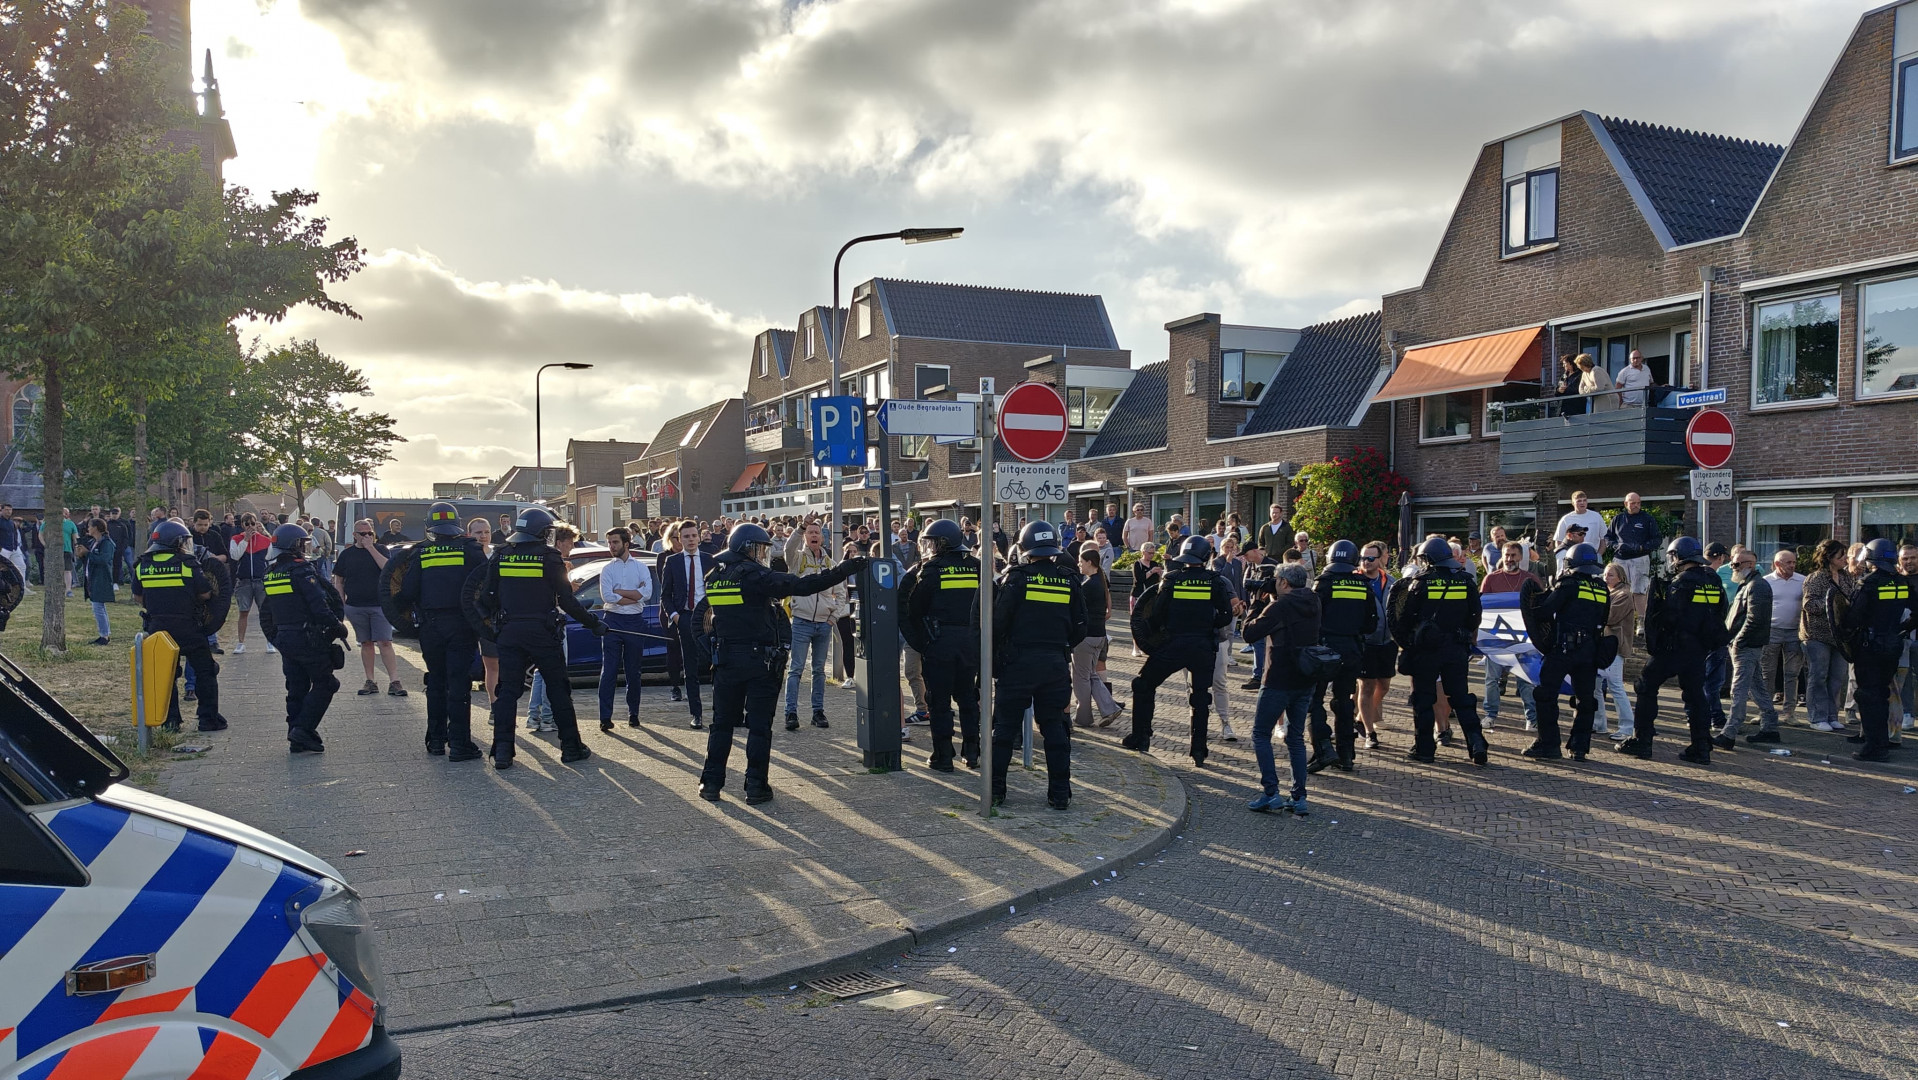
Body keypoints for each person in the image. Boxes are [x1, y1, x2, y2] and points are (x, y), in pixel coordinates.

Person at [695, 523, 864, 804]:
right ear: (748, 548)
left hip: (725, 660)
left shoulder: (716, 576)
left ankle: (711, 783)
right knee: (759, 727)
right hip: (759, 661)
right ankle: (756, 786)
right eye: (760, 549)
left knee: (721, 725)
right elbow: (803, 585)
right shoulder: (755, 576)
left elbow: (702, 618)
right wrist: (843, 571)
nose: (762, 555)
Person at [463, 508, 605, 769]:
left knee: (507, 692)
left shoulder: (501, 555)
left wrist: (496, 625)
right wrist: (594, 624)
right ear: (542, 533)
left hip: (510, 633)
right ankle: (571, 747)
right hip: (543, 633)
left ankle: (503, 751)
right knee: (558, 690)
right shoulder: (550, 558)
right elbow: (567, 600)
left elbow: (485, 598)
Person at [990, 521, 1086, 809]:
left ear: (1024, 548)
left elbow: (998, 623)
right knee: (1055, 728)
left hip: (1017, 664)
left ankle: (995, 791)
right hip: (1055, 664)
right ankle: (1059, 793)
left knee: (1004, 730)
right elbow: (1081, 626)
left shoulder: (1016, 579)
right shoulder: (1069, 579)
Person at [1123, 535, 1236, 767]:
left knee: (1143, 685)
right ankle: (1198, 749)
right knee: (1201, 697)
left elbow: (1155, 614)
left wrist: (1155, 635)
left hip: (1173, 645)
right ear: (1206, 557)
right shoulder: (1215, 580)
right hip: (1203, 647)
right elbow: (1226, 615)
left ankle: (1141, 737)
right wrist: (1208, 628)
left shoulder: (1172, 579)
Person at [385, 502, 487, 760]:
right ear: (458, 524)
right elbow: (487, 587)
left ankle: (436, 740)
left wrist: (402, 613)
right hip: (462, 626)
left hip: (430, 627)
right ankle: (461, 744)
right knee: (459, 683)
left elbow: (406, 592)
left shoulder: (421, 553)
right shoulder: (472, 551)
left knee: (436, 681)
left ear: (429, 526)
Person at [1625, 537, 1728, 764]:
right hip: (1699, 650)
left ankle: (1642, 741)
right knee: (1695, 695)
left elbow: (1668, 617)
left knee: (1645, 685)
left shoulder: (1680, 583)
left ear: (1678, 557)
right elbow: (1722, 610)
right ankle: (1701, 747)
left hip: (1673, 648)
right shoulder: (1713, 580)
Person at [1388, 537, 1489, 766]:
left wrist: (1409, 641)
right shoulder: (1466, 580)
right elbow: (1475, 615)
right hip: (1456, 649)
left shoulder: (1420, 583)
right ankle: (1477, 743)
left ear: (1428, 559)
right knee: (1461, 698)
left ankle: (1424, 749)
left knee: (1423, 699)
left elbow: (1403, 618)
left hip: (1426, 651)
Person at [901, 518, 985, 771]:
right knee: (969, 699)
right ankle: (972, 752)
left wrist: (920, 642)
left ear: (942, 543)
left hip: (940, 643)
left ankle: (943, 756)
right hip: (971, 643)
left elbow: (913, 608)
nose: (929, 547)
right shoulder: (977, 567)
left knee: (939, 702)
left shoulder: (931, 570)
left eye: (931, 542)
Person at [258, 523, 348, 753]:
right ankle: (302, 728)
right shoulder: (302, 571)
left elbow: (266, 612)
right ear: (293, 545)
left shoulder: (271, 574)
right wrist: (337, 627)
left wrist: (276, 638)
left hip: (286, 638)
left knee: (296, 687)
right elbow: (318, 606)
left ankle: (296, 736)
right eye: (302, 543)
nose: (304, 547)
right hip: (308, 638)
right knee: (327, 683)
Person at [131, 520, 228, 732]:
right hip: (188, 628)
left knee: (166, 674)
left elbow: (138, 597)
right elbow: (204, 593)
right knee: (205, 670)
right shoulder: (187, 563)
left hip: (157, 628)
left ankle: (170, 721)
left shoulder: (142, 565)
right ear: (177, 542)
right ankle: (208, 719)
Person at [1522, 543, 1611, 761]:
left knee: (1545, 695)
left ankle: (1549, 745)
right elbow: (1603, 618)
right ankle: (1580, 747)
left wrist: (1533, 599)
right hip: (1589, 652)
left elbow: (1544, 613)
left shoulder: (1568, 585)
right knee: (1586, 700)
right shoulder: (1602, 588)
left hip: (1563, 649)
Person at [1242, 563, 1319, 815]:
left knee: (1260, 734)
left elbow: (1249, 633)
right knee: (1295, 738)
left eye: (1276, 579)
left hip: (1278, 679)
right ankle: (1300, 797)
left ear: (1284, 583)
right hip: (1305, 678)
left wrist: (1256, 602)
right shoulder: (1314, 601)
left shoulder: (1279, 606)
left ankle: (1270, 793)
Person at [1301, 540, 1374, 774]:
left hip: (1324, 650)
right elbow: (1371, 623)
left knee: (1315, 700)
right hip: (1352, 649)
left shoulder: (1322, 583)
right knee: (1344, 701)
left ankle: (1323, 749)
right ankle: (1346, 755)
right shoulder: (1364, 585)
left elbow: (1311, 617)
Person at [1842, 538, 1913, 762]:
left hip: (1869, 647)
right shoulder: (1902, 583)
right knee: (1883, 694)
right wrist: (1900, 630)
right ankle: (1882, 742)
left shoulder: (1868, 583)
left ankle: (1874, 747)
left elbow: (1853, 618)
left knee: (1867, 695)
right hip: (1893, 646)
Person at [782, 520, 846, 731]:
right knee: (796, 669)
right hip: (801, 621)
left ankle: (817, 712)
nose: (814, 535)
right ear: (805, 536)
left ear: (823, 537)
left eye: (817, 532)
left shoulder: (832, 565)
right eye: (810, 532)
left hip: (823, 625)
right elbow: (788, 548)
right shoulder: (797, 559)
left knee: (819, 670)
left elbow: (842, 594)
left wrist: (832, 618)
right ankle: (791, 712)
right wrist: (799, 527)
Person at [333, 519, 405, 697]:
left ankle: (394, 681)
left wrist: (371, 548)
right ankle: (370, 680)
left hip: (379, 605)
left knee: (385, 642)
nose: (367, 537)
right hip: (356, 605)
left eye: (370, 533)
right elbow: (339, 580)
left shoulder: (380, 550)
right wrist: (341, 603)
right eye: (363, 534)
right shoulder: (347, 554)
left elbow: (387, 568)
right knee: (366, 643)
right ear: (355, 535)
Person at [1715, 547, 1776, 748]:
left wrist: (1738, 640)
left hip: (1747, 645)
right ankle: (1770, 727)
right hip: (1744, 643)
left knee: (1738, 689)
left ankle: (1730, 732)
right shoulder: (1748, 584)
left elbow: (1754, 619)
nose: (1733, 567)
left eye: (1737, 564)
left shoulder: (1757, 586)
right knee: (1756, 686)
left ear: (1750, 564)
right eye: (1732, 563)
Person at [596, 526, 655, 731]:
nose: (611, 546)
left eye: (615, 542)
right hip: (612, 620)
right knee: (609, 671)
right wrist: (632, 594)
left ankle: (634, 714)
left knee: (633, 671)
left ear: (626, 544)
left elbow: (647, 593)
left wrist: (621, 592)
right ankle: (605, 717)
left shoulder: (640, 567)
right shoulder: (607, 569)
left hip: (634, 620)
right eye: (609, 542)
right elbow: (608, 597)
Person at [659, 520, 715, 729]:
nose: (691, 540)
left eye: (693, 536)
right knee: (690, 668)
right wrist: (675, 616)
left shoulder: (710, 560)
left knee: (716, 665)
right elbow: (665, 595)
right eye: (686, 537)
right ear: (679, 540)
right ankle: (696, 713)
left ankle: (721, 712)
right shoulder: (672, 562)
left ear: (699, 537)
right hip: (685, 618)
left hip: (709, 619)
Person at [1479, 542, 1540, 732]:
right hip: (1496, 638)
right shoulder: (1490, 579)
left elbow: (1540, 606)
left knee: (1526, 680)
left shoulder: (1531, 579)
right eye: (1506, 555)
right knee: (1492, 679)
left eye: (1513, 555)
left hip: (1524, 639)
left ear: (1520, 557)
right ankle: (1490, 715)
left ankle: (1532, 717)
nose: (1509, 559)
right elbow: (1482, 607)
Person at [1800, 539, 1856, 734]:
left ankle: (1833, 715)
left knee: (1836, 677)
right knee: (1819, 676)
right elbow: (1809, 605)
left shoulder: (1847, 576)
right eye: (1841, 556)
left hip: (1840, 637)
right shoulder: (1815, 578)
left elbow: (1851, 599)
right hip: (1818, 635)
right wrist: (1830, 605)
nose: (1845, 559)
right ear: (1829, 557)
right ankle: (1817, 716)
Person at [1071, 545, 1124, 730]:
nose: (1079, 564)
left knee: (1080, 678)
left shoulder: (1087, 585)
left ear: (1090, 563)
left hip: (1086, 637)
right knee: (1091, 675)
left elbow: (1076, 610)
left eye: (1081, 562)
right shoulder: (1100, 582)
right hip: (1099, 635)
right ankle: (1110, 707)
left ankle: (1083, 718)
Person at [1356, 541, 1396, 749]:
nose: (1366, 562)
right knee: (1367, 685)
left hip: (1387, 642)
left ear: (1380, 559)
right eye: (1363, 558)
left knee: (1385, 685)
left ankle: (1361, 718)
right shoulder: (1355, 581)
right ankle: (1370, 733)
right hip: (1365, 642)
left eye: (1371, 558)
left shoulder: (1391, 581)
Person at [1596, 562, 1638, 741]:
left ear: (1620, 577)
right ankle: (1598, 724)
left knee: (1616, 686)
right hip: (1602, 645)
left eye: (1610, 575)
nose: (1606, 577)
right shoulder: (1607, 592)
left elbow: (1610, 617)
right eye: (1605, 574)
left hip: (1615, 646)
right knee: (1595, 685)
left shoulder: (1624, 595)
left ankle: (1627, 727)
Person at [1606, 492, 1661, 626]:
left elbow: (1657, 539)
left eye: (1638, 503)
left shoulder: (1647, 519)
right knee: (1618, 589)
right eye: (1632, 503)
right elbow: (1608, 538)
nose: (1636, 505)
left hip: (1639, 558)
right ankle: (1617, 618)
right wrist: (1616, 546)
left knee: (1639, 590)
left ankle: (1641, 622)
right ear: (1626, 504)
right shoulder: (1618, 519)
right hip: (1620, 559)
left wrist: (1642, 547)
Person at [228, 514, 274, 654]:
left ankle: (270, 641)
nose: (250, 526)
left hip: (261, 580)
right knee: (243, 611)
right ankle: (241, 642)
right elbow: (235, 556)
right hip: (244, 580)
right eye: (247, 523)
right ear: (242, 524)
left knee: (265, 612)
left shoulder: (266, 541)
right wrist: (245, 540)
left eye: (252, 523)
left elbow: (271, 560)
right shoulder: (236, 539)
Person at [78, 518, 115, 644]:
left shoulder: (107, 543)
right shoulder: (94, 542)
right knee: (98, 607)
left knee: (98, 607)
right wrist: (82, 555)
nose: (88, 528)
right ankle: (105, 634)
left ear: (96, 528)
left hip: (101, 578)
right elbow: (91, 559)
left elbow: (104, 560)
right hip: (92, 577)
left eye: (90, 526)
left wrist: (87, 553)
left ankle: (104, 636)